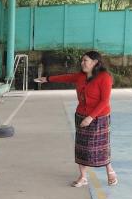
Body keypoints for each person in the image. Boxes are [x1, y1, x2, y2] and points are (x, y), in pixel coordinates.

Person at [35, 51, 116, 188]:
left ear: (95, 62)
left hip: (100, 117)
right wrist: (47, 79)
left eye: (86, 60)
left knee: (100, 147)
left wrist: (91, 117)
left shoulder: (105, 77)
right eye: (82, 60)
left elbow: (104, 101)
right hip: (81, 115)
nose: (82, 63)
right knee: (81, 147)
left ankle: (110, 170)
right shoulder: (80, 76)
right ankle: (83, 177)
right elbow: (65, 78)